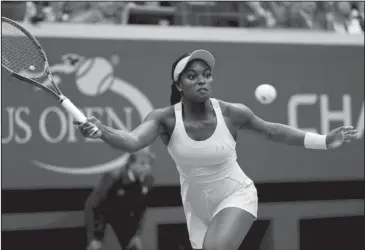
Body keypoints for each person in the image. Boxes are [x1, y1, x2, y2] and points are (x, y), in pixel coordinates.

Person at [77, 49, 359, 250]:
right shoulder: (164, 119)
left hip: (236, 194)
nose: (202, 80)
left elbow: (274, 131)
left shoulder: (232, 113)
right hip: (197, 208)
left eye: (207, 74)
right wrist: (101, 131)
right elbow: (131, 141)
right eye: (192, 76)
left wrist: (323, 140)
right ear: (179, 84)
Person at [85, 149, 155, 250]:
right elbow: (93, 205)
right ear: (131, 164)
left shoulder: (148, 181)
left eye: (149, 164)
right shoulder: (114, 177)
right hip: (101, 214)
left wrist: (136, 235)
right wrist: (93, 238)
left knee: (134, 246)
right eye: (142, 164)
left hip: (123, 216)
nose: (147, 168)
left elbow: (141, 210)